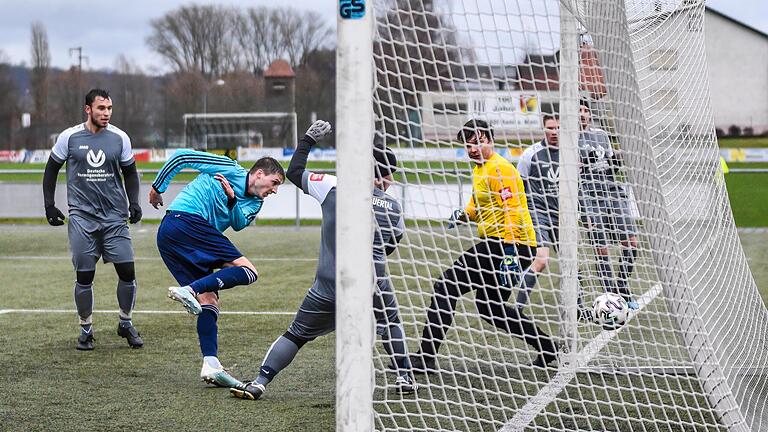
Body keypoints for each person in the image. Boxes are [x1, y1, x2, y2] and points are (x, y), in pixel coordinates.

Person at [230, 121, 416, 401]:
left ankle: (259, 381)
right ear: (386, 177)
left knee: (296, 334)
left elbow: (293, 172)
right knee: (389, 319)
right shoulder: (393, 206)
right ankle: (404, 375)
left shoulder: (332, 186)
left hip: (329, 283)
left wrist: (307, 141)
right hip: (371, 282)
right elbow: (391, 245)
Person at [410, 119, 558, 374]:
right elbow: (479, 206)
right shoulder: (482, 168)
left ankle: (425, 358)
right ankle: (547, 347)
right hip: (506, 245)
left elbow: (512, 211)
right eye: (469, 144)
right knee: (492, 309)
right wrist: (464, 215)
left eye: (479, 142)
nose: (474, 148)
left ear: (491, 140)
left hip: (506, 245)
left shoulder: (499, 169)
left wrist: (510, 254)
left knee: (446, 286)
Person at [149, 149, 284, 387]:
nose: (275, 190)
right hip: (186, 221)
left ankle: (211, 363)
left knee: (209, 299)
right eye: (274, 183)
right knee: (249, 271)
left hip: (174, 235)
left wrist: (232, 200)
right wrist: (158, 187)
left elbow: (239, 223)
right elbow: (182, 157)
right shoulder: (227, 166)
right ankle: (189, 289)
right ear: (259, 173)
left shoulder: (256, 201)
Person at [42, 88, 144, 351]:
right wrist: (49, 205)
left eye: (109, 108)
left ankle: (125, 323)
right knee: (85, 276)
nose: (106, 113)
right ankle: (86, 329)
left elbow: (130, 174)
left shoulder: (120, 138)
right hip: (82, 218)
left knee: (128, 271)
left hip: (114, 218)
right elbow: (51, 169)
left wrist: (134, 202)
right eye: (101, 108)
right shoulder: (70, 137)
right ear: (87, 109)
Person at [578, 100, 639, 309]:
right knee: (601, 249)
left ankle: (621, 286)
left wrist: (617, 161)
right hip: (588, 196)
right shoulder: (567, 139)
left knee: (631, 242)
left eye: (586, 110)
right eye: (579, 111)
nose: (583, 114)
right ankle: (612, 297)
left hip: (612, 191)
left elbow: (613, 166)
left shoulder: (602, 135)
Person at [515, 114, 560, 310]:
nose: (554, 132)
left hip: (562, 215)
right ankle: (517, 308)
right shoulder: (530, 155)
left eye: (558, 128)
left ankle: (578, 306)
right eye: (550, 128)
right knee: (541, 259)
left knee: (571, 263)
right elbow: (519, 186)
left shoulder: (571, 153)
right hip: (538, 212)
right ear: (544, 129)